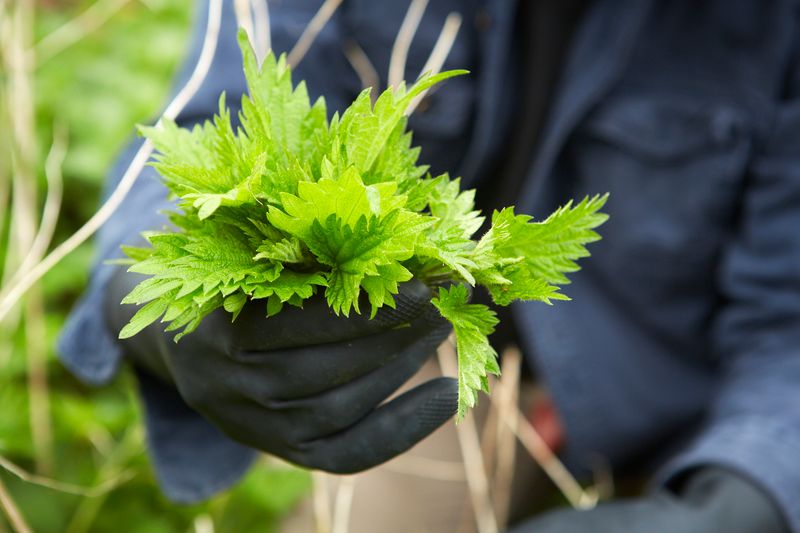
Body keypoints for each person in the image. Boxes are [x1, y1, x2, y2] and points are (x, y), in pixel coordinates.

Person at [60, 0, 800, 531]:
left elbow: (788, 324)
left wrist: (743, 498)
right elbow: (204, 124)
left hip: (697, 413)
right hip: (432, 374)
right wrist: (163, 304)